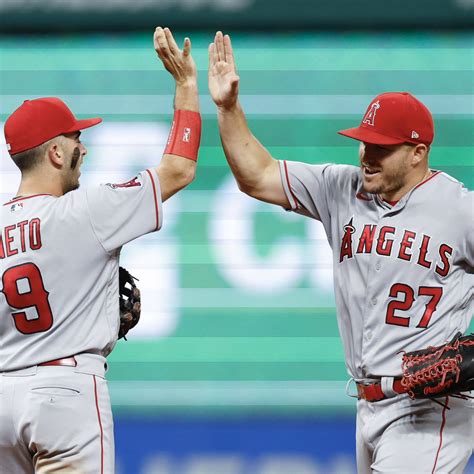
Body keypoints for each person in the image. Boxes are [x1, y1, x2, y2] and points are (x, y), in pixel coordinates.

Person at [208, 31, 473, 473]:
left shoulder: (459, 209)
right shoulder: (341, 187)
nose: (367, 154)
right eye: (364, 141)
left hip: (429, 409)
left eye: (382, 148)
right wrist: (227, 108)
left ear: (418, 152)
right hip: (366, 404)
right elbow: (257, 175)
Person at [0, 27, 200, 473]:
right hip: (65, 393)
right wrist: (186, 87)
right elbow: (179, 169)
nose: (83, 149)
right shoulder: (86, 209)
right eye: (74, 141)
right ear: (54, 152)